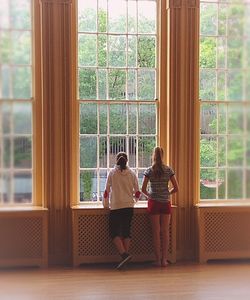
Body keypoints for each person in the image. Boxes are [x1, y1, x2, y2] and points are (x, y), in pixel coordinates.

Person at [103, 152, 141, 269]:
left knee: (113, 232)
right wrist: (134, 201)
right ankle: (125, 258)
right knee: (126, 231)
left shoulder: (112, 173)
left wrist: (105, 205)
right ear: (127, 161)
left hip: (116, 206)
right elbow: (138, 192)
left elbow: (106, 191)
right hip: (129, 206)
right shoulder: (132, 174)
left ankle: (124, 255)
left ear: (116, 161)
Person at [141, 146, 179, 267]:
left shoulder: (149, 170)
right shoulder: (168, 170)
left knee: (156, 232)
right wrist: (168, 193)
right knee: (165, 231)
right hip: (165, 202)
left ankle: (157, 260)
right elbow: (176, 188)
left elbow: (143, 189)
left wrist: (150, 196)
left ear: (153, 155)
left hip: (154, 203)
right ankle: (164, 259)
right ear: (162, 155)